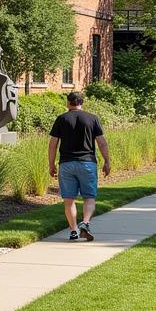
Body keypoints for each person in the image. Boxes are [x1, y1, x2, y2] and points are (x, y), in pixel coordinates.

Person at [49, 91, 111, 241]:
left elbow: (53, 145)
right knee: (89, 197)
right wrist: (107, 161)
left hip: (67, 163)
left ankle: (73, 230)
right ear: (82, 102)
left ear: (68, 103)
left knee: (69, 200)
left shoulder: (61, 119)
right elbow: (102, 142)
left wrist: (51, 164)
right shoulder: (92, 118)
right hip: (87, 163)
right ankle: (86, 222)